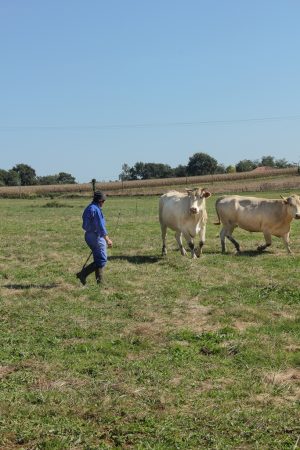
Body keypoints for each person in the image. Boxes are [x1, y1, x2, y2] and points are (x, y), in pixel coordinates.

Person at [76, 191, 113, 285]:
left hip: (88, 235)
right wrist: (107, 239)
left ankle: (99, 282)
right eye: (103, 201)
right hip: (95, 236)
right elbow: (100, 227)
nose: (104, 203)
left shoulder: (89, 207)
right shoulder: (96, 210)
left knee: (98, 258)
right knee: (102, 260)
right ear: (100, 200)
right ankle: (82, 274)